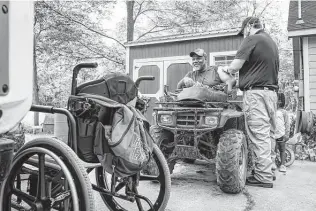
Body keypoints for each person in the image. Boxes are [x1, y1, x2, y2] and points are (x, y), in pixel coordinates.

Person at [219, 17, 279, 188]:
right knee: (268, 134)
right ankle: (269, 169)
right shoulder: (271, 42)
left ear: (249, 26)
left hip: (256, 94)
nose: (243, 34)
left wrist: (226, 70)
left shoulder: (252, 38)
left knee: (258, 133)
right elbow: (257, 71)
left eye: (243, 30)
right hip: (271, 93)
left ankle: (263, 176)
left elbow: (236, 66)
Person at [275, 92, 290, 172]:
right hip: (273, 134)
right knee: (273, 150)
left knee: (282, 150)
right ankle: (273, 164)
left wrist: (287, 134)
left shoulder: (284, 112)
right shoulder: (273, 110)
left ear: (282, 101)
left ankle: (283, 165)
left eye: (279, 100)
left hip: (281, 134)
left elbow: (287, 124)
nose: (278, 102)